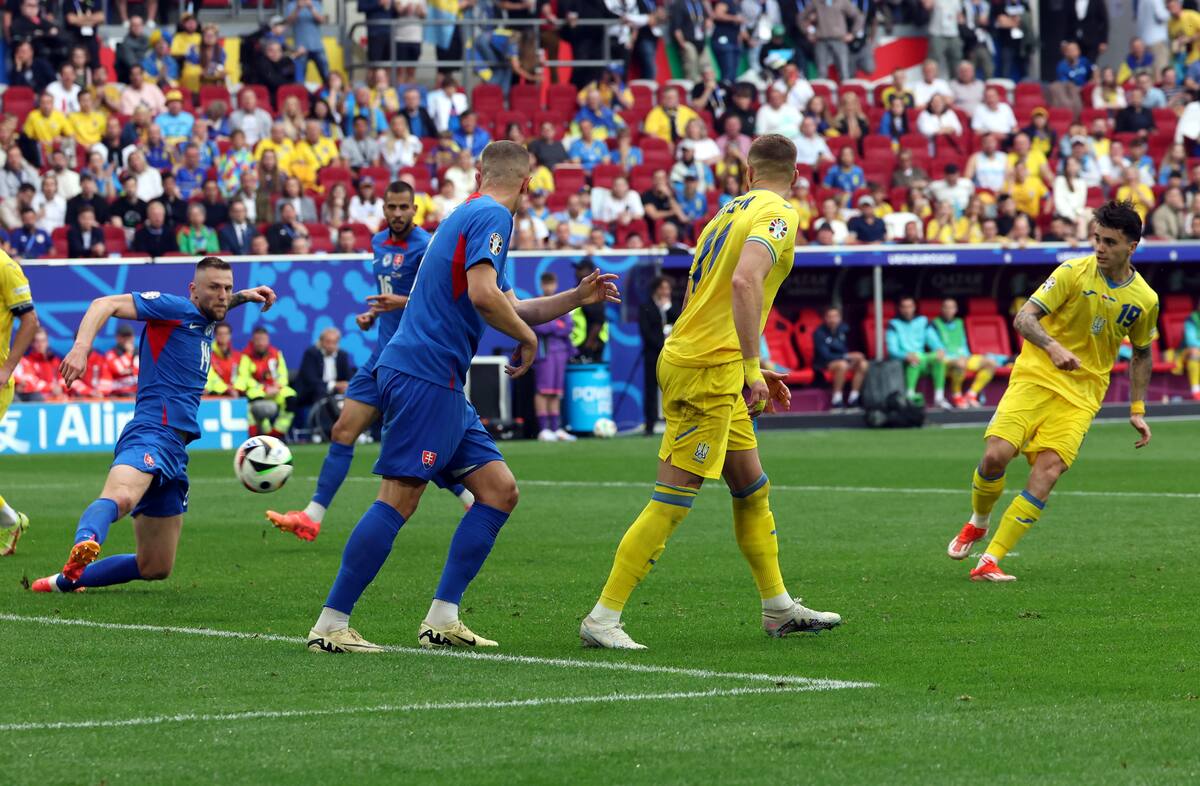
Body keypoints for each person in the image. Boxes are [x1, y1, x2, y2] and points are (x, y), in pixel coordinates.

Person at [303, 141, 620, 653]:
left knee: (498, 490)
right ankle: (330, 624)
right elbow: (483, 297)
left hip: (437, 379)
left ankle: (442, 619)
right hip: (425, 375)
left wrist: (573, 299)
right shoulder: (494, 217)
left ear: (479, 174)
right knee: (398, 499)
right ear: (528, 183)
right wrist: (528, 337)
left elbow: (508, 301)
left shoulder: (470, 214)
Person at [579, 134, 840, 650]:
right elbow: (745, 284)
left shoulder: (724, 213)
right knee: (673, 499)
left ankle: (778, 608)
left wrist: (750, 368)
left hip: (704, 360)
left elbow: (715, 295)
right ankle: (602, 618)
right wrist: (750, 366)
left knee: (752, 487)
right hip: (708, 371)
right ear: (796, 176)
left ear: (748, 173)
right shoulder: (779, 214)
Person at [30, 259, 275, 594]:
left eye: (227, 287)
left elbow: (218, 306)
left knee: (155, 566)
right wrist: (81, 348)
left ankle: (64, 581)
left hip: (176, 448)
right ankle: (85, 543)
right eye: (214, 287)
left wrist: (245, 295)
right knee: (122, 496)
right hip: (151, 431)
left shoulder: (205, 317)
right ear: (193, 290)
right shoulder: (172, 308)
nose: (223, 295)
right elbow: (105, 303)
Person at [946, 201, 1158, 581]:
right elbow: (1024, 317)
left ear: (1132, 246)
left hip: (1083, 394)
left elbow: (1142, 353)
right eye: (1096, 238)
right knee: (996, 455)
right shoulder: (1072, 273)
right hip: (1035, 376)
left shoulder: (1145, 299)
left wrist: (1137, 408)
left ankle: (990, 559)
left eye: (1110, 242)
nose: (1100, 248)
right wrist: (1053, 346)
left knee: (1048, 471)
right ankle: (978, 522)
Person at [267, 181, 474, 541]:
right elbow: (390, 298)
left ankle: (470, 497)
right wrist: (373, 315)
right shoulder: (378, 244)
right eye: (391, 207)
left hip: (415, 360)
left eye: (403, 208)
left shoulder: (427, 246)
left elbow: (441, 301)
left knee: (413, 444)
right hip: (382, 355)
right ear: (383, 208)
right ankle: (312, 517)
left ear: (414, 209)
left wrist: (401, 303)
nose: (397, 214)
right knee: (342, 431)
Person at [0, 249, 37, 554]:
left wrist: (8, 367)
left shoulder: (5, 267)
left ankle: (11, 519)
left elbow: (30, 321)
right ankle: (11, 520)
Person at [932, 298, 1001, 409]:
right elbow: (935, 345)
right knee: (960, 364)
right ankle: (957, 395)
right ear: (942, 309)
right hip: (946, 359)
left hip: (964, 357)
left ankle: (971, 394)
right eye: (946, 307)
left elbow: (963, 342)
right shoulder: (935, 324)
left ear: (956, 309)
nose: (949, 310)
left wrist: (965, 355)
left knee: (991, 363)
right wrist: (956, 358)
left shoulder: (959, 323)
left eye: (952, 307)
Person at [531, 272, 576, 442]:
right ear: (542, 285)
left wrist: (552, 325)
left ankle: (556, 429)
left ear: (556, 284)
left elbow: (568, 327)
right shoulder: (536, 302)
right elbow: (540, 327)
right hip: (545, 352)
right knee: (543, 391)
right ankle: (543, 430)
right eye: (546, 284)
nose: (549, 287)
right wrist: (555, 325)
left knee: (556, 392)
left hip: (561, 352)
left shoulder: (561, 301)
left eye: (552, 283)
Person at [887, 295, 949, 408]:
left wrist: (939, 349)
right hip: (904, 362)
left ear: (914, 307)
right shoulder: (893, 324)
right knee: (915, 359)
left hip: (923, 359)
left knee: (938, 358)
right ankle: (909, 394)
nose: (907, 310)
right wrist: (905, 355)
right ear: (899, 309)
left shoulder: (922, 321)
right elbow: (892, 350)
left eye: (910, 306)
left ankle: (939, 398)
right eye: (904, 307)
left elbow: (933, 340)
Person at [237, 326, 297, 439]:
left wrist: (278, 385)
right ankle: (264, 432)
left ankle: (278, 432)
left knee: (291, 397)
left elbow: (283, 374)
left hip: (276, 390)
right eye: (258, 340)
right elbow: (244, 377)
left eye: (263, 340)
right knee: (255, 399)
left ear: (268, 340)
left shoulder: (276, 354)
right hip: (258, 390)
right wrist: (264, 388)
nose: (261, 343)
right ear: (253, 341)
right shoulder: (246, 356)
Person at [638, 275, 679, 435]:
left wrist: (667, 309)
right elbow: (645, 331)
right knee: (650, 389)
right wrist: (660, 344)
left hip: (672, 356)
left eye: (667, 288)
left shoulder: (673, 306)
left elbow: (679, 323)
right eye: (662, 288)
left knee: (673, 389)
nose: (665, 291)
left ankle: (674, 423)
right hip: (653, 354)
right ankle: (650, 424)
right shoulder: (646, 307)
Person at [812, 305, 867, 408]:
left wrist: (855, 357)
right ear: (825, 318)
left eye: (835, 316)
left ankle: (854, 398)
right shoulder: (819, 333)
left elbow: (851, 348)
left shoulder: (844, 330)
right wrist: (847, 356)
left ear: (840, 318)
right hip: (824, 363)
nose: (833, 320)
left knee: (863, 364)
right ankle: (837, 399)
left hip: (844, 360)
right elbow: (826, 356)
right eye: (830, 317)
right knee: (842, 365)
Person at [294, 327, 354, 410]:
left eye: (334, 342)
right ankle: (320, 422)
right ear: (321, 341)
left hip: (335, 391)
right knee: (320, 391)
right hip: (312, 392)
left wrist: (345, 385)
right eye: (328, 342)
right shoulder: (311, 353)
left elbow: (348, 376)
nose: (331, 345)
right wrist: (334, 385)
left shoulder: (342, 355)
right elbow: (311, 380)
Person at [106, 323, 139, 397]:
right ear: (118, 338)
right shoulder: (111, 354)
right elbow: (120, 370)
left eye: (129, 336)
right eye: (124, 336)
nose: (127, 339)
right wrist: (129, 354)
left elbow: (143, 370)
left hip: (137, 392)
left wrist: (131, 370)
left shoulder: (139, 352)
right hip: (119, 393)